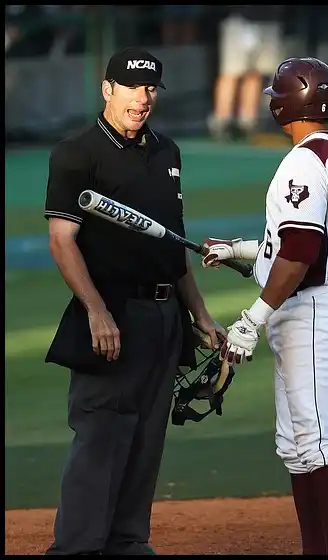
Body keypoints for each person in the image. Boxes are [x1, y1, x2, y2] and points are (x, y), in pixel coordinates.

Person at [44, 46, 225, 555]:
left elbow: (174, 245)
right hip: (111, 316)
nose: (142, 99)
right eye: (132, 87)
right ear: (107, 89)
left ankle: (127, 543)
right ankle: (77, 548)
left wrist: (200, 315)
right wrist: (95, 310)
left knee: (146, 441)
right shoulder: (77, 153)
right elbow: (63, 241)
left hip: (164, 318)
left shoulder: (168, 153)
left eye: (150, 90)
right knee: (101, 438)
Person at [201, 57, 328, 555]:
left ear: (289, 102)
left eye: (276, 92)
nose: (271, 99)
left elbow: (300, 253)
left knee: (319, 443)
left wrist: (253, 317)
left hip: (312, 310)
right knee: (297, 448)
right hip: (322, 300)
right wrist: (241, 251)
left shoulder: (301, 161)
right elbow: (296, 245)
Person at [207, 5, 284, 142]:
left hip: (269, 20)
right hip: (241, 19)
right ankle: (221, 122)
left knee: (255, 74)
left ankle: (247, 123)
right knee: (231, 73)